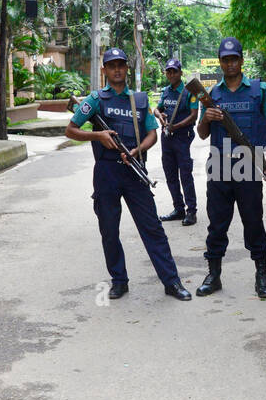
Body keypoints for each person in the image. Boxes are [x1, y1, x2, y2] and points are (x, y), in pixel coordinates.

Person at [65, 48, 191, 301]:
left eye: (121, 64)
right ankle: (119, 281)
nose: (117, 69)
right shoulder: (96, 99)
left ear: (126, 68)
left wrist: (137, 150)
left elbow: (152, 134)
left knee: (152, 228)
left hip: (134, 170)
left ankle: (171, 281)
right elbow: (70, 130)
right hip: (106, 171)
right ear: (105, 70)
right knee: (109, 230)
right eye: (112, 66)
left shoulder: (139, 100)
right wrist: (97, 135)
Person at [195, 37, 266, 300]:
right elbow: (201, 134)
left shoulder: (259, 90)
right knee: (217, 224)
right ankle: (214, 275)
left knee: (253, 221)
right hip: (219, 166)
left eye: (234, 59)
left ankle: (262, 275)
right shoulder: (210, 95)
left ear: (242, 60)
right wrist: (206, 118)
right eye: (225, 59)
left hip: (249, 166)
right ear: (220, 62)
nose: (230, 64)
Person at [154, 57, 198, 225]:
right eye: (169, 71)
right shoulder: (165, 91)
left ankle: (191, 211)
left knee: (185, 175)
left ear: (180, 73)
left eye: (174, 71)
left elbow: (193, 115)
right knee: (170, 174)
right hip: (167, 138)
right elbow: (157, 109)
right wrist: (160, 116)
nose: (171, 74)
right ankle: (178, 209)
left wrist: (176, 126)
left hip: (182, 138)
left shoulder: (189, 92)